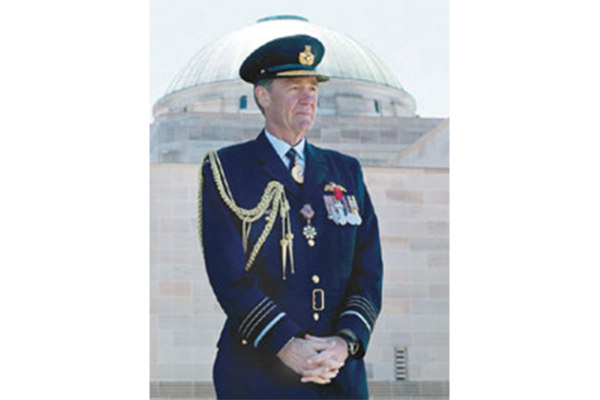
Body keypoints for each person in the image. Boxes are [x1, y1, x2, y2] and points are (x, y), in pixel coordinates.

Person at [199, 34, 383, 399]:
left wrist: (345, 342)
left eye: (313, 87)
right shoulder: (226, 169)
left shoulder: (346, 172)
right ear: (263, 96)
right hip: (258, 373)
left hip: (338, 376)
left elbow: (368, 271)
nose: (308, 97)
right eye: (294, 86)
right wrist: (285, 344)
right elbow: (229, 275)